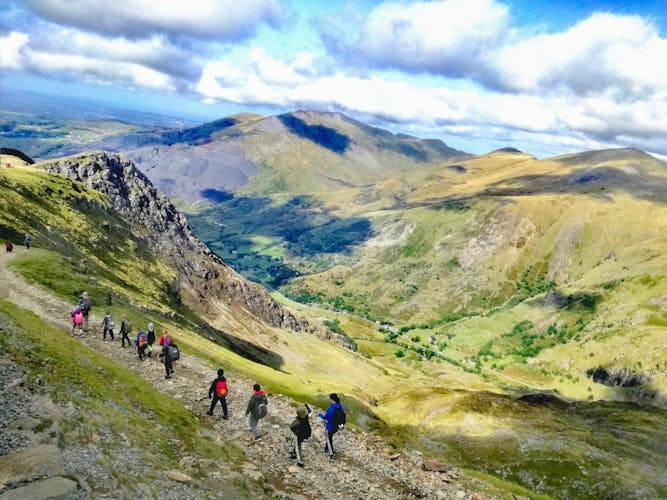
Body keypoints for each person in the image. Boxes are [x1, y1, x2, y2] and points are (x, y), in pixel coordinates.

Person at [318, 393, 345, 461]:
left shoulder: (331, 408)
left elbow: (326, 417)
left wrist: (320, 414)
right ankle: (326, 448)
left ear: (331, 399)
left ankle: (331, 454)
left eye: (329, 399)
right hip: (337, 426)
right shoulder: (340, 406)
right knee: (330, 437)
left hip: (330, 426)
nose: (329, 400)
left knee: (328, 438)